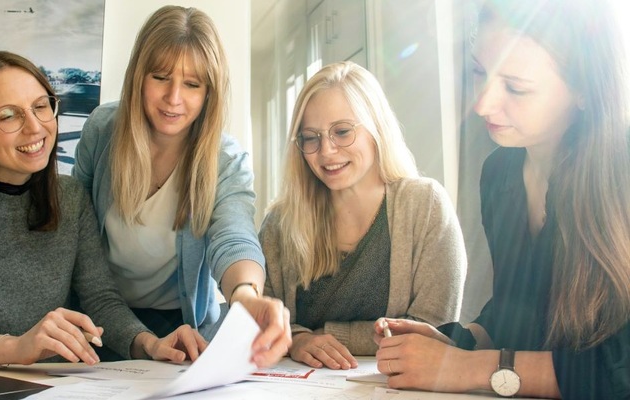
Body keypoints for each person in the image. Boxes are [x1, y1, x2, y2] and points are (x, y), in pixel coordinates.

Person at [373, 0, 630, 398]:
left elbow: (620, 370)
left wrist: (464, 367)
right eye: (480, 72)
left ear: (584, 90)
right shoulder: (499, 173)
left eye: (516, 87)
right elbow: (518, 311)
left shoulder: (621, 175)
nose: (483, 104)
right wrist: (459, 341)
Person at [0, 50, 210, 368]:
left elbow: (99, 299)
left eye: (41, 107)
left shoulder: (69, 197)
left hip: (56, 385)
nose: (35, 127)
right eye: (9, 115)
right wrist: (14, 348)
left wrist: (150, 344)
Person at [72, 5, 290, 368]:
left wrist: (245, 294)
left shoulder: (226, 158)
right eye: (160, 77)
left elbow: (234, 234)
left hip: (181, 325)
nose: (174, 98)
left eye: (192, 84)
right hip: (98, 316)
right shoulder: (102, 130)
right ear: (139, 77)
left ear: (209, 93)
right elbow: (74, 233)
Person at [260, 61, 466, 370]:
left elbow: (432, 330)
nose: (326, 151)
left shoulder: (425, 205)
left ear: (376, 127)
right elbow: (259, 320)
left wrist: (322, 335)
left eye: (342, 132)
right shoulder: (279, 224)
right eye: (310, 137)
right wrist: (297, 341)